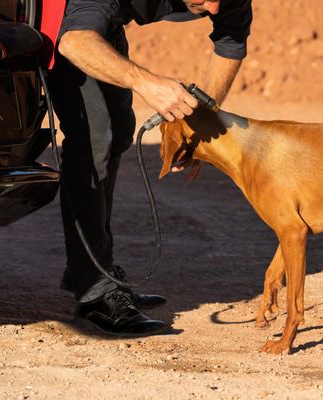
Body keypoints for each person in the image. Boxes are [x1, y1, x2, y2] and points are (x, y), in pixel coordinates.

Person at [48, 0, 252, 336]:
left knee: (116, 131)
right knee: (95, 136)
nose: (214, 7)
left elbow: (231, 42)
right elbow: (75, 40)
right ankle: (94, 292)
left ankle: (89, 268)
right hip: (64, 19)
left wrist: (199, 126)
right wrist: (147, 83)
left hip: (102, 23)